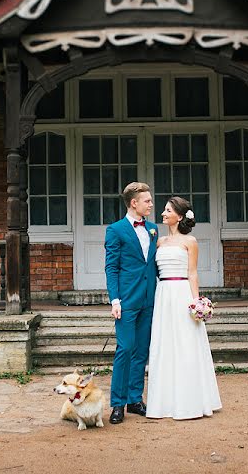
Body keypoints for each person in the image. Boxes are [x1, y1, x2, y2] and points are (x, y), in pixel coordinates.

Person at [146, 196, 222, 420]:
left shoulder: (190, 242)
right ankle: (165, 401)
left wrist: (196, 302)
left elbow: (192, 273)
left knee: (186, 343)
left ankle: (191, 400)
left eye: (167, 210)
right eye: (163, 210)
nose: (162, 213)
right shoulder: (158, 242)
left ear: (179, 216)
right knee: (164, 344)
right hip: (163, 294)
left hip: (181, 293)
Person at [104, 181, 159, 425]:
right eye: (147, 200)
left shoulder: (154, 229)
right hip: (125, 301)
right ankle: (117, 404)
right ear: (134, 203)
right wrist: (114, 300)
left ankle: (135, 399)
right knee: (125, 350)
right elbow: (111, 268)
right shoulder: (115, 230)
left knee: (141, 351)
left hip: (149, 299)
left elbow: (154, 265)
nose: (151, 204)